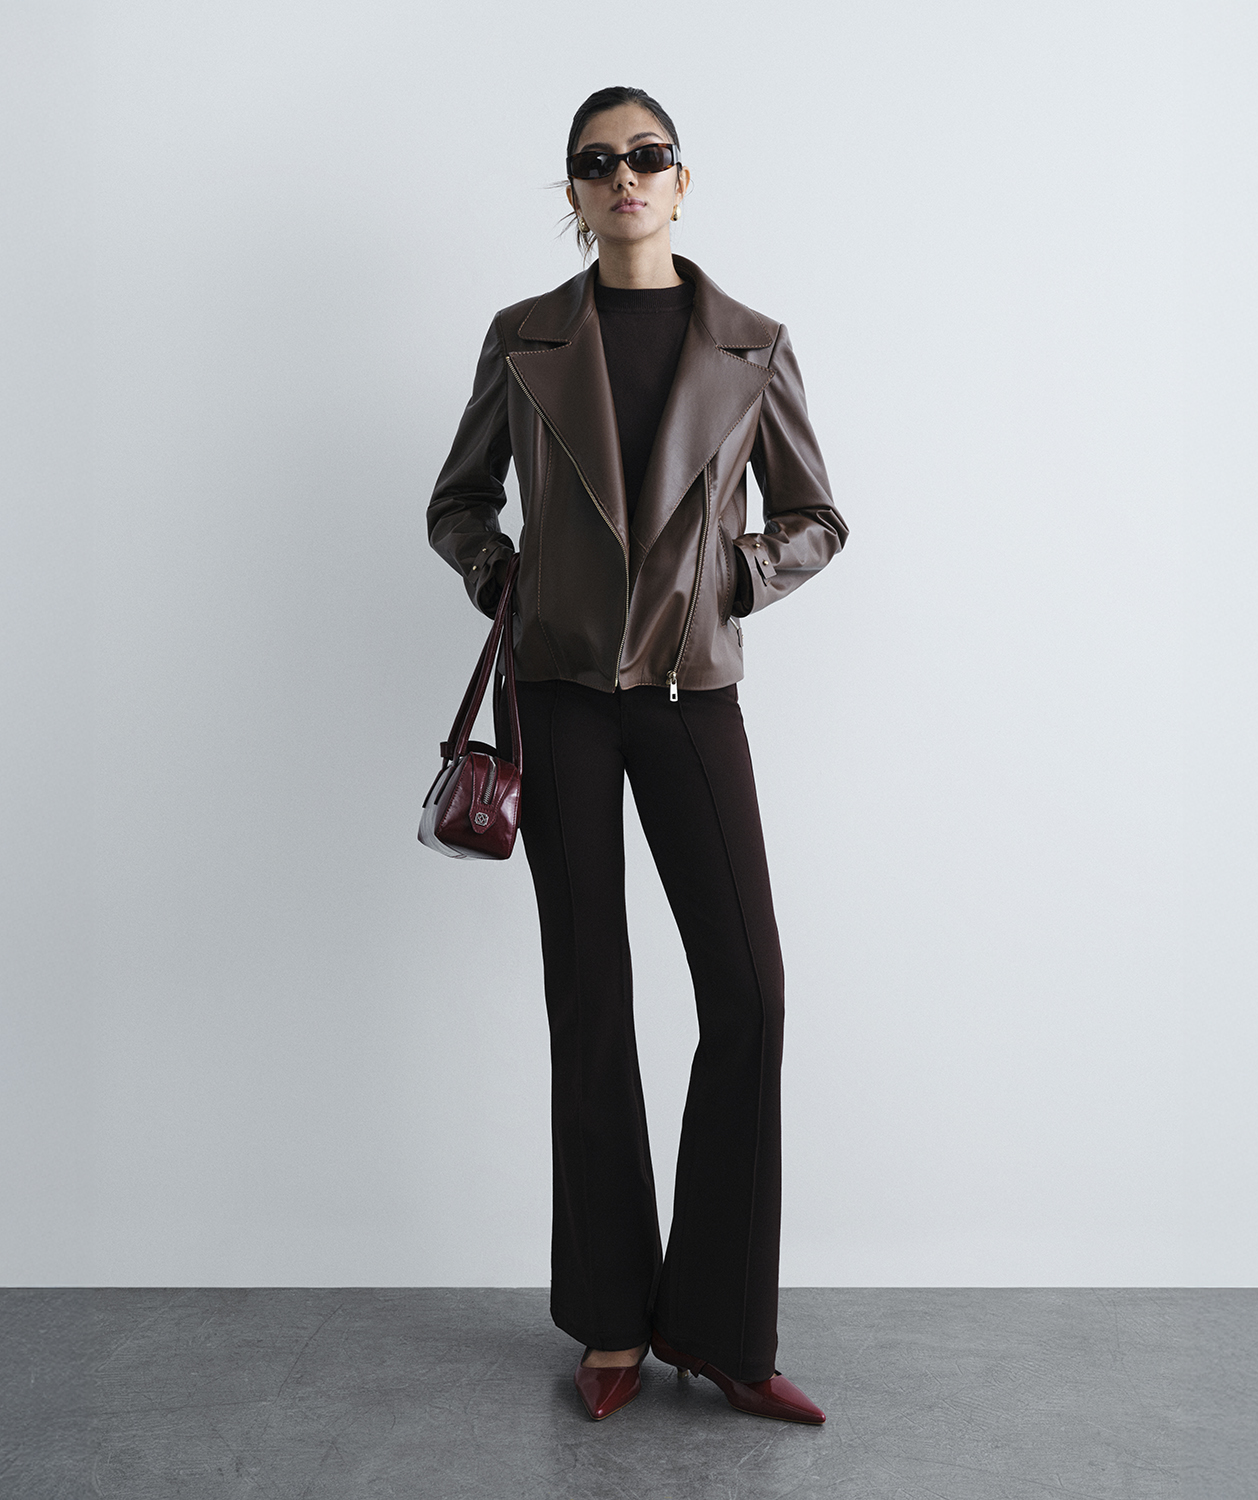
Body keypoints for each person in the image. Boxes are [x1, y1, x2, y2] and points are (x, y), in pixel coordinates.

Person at [426, 85, 847, 1424]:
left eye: (648, 156)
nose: (626, 176)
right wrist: (503, 573)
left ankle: (719, 1328)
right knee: (591, 1001)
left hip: (688, 691)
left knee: (750, 993)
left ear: (681, 181)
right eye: (599, 161)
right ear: (573, 189)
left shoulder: (753, 347)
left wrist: (734, 577)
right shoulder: (524, 339)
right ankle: (611, 1320)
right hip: (559, 695)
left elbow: (816, 516)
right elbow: (456, 502)